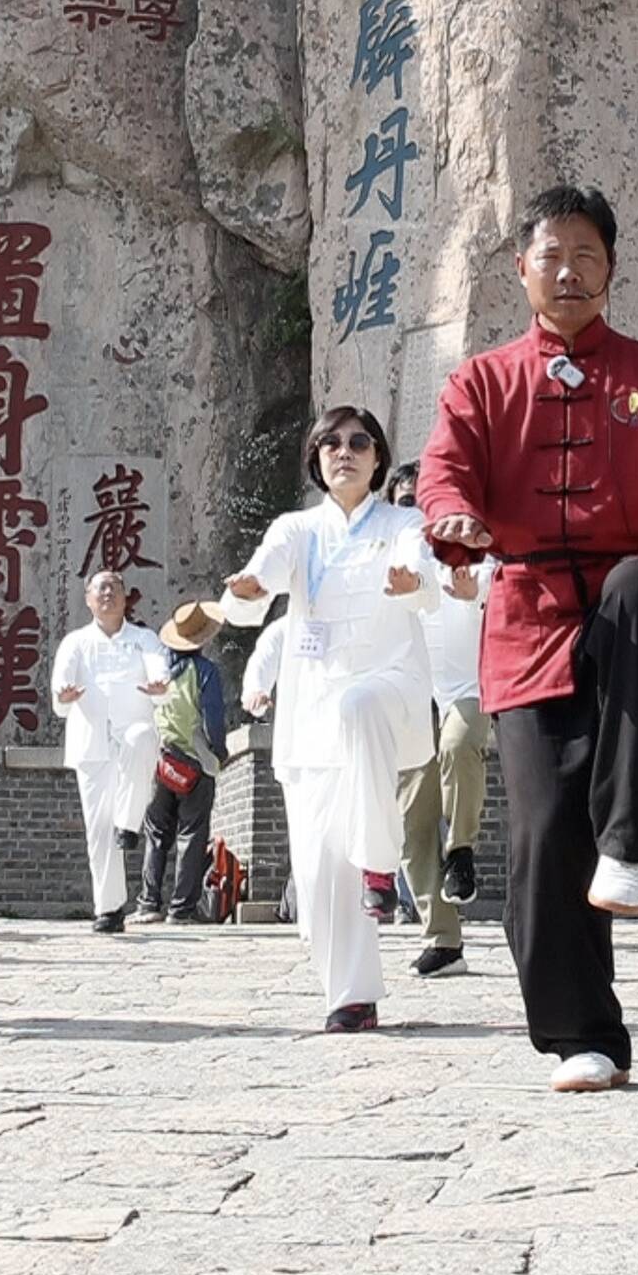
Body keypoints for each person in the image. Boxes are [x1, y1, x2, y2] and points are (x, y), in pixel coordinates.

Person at [414, 185, 638, 1093]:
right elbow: (444, 470)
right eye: (551, 255)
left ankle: (630, 842)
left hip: (632, 615)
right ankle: (581, 1034)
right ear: (521, 271)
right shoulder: (481, 380)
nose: (568, 271)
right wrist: (455, 518)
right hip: (526, 622)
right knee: (544, 838)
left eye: (586, 255)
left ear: (612, 270)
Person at [222, 405, 441, 1033]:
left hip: (386, 692)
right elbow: (261, 579)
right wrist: (248, 590)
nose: (344, 452)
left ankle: (379, 858)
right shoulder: (297, 529)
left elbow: (422, 572)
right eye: (331, 443)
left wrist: (411, 581)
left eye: (359, 443)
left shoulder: (404, 521)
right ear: (317, 458)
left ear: (378, 459)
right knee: (318, 875)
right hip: (312, 721)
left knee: (359, 706)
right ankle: (352, 994)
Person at [388, 461, 494, 978]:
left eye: (422, 500)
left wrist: (477, 594)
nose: (415, 510)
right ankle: (443, 940)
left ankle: (462, 850)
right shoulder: (387, 555)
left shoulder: (473, 546)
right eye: (404, 501)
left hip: (469, 687)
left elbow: (498, 585)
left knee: (458, 745)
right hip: (410, 697)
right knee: (412, 822)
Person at [51, 569, 167, 931]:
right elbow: (61, 680)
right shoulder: (75, 642)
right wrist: (64, 693)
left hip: (133, 727)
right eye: (100, 588)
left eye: (114, 588)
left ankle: (131, 824)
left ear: (125, 597)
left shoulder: (144, 639)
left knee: (142, 739)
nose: (107, 594)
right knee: (99, 830)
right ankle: (110, 909)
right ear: (88, 598)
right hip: (92, 741)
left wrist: (159, 681)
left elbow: (158, 665)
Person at [144, 603, 232, 924]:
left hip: (161, 762)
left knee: (156, 834)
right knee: (192, 836)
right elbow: (214, 723)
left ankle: (148, 902)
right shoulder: (205, 672)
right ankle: (181, 908)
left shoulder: (157, 672)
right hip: (196, 765)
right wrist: (219, 753)